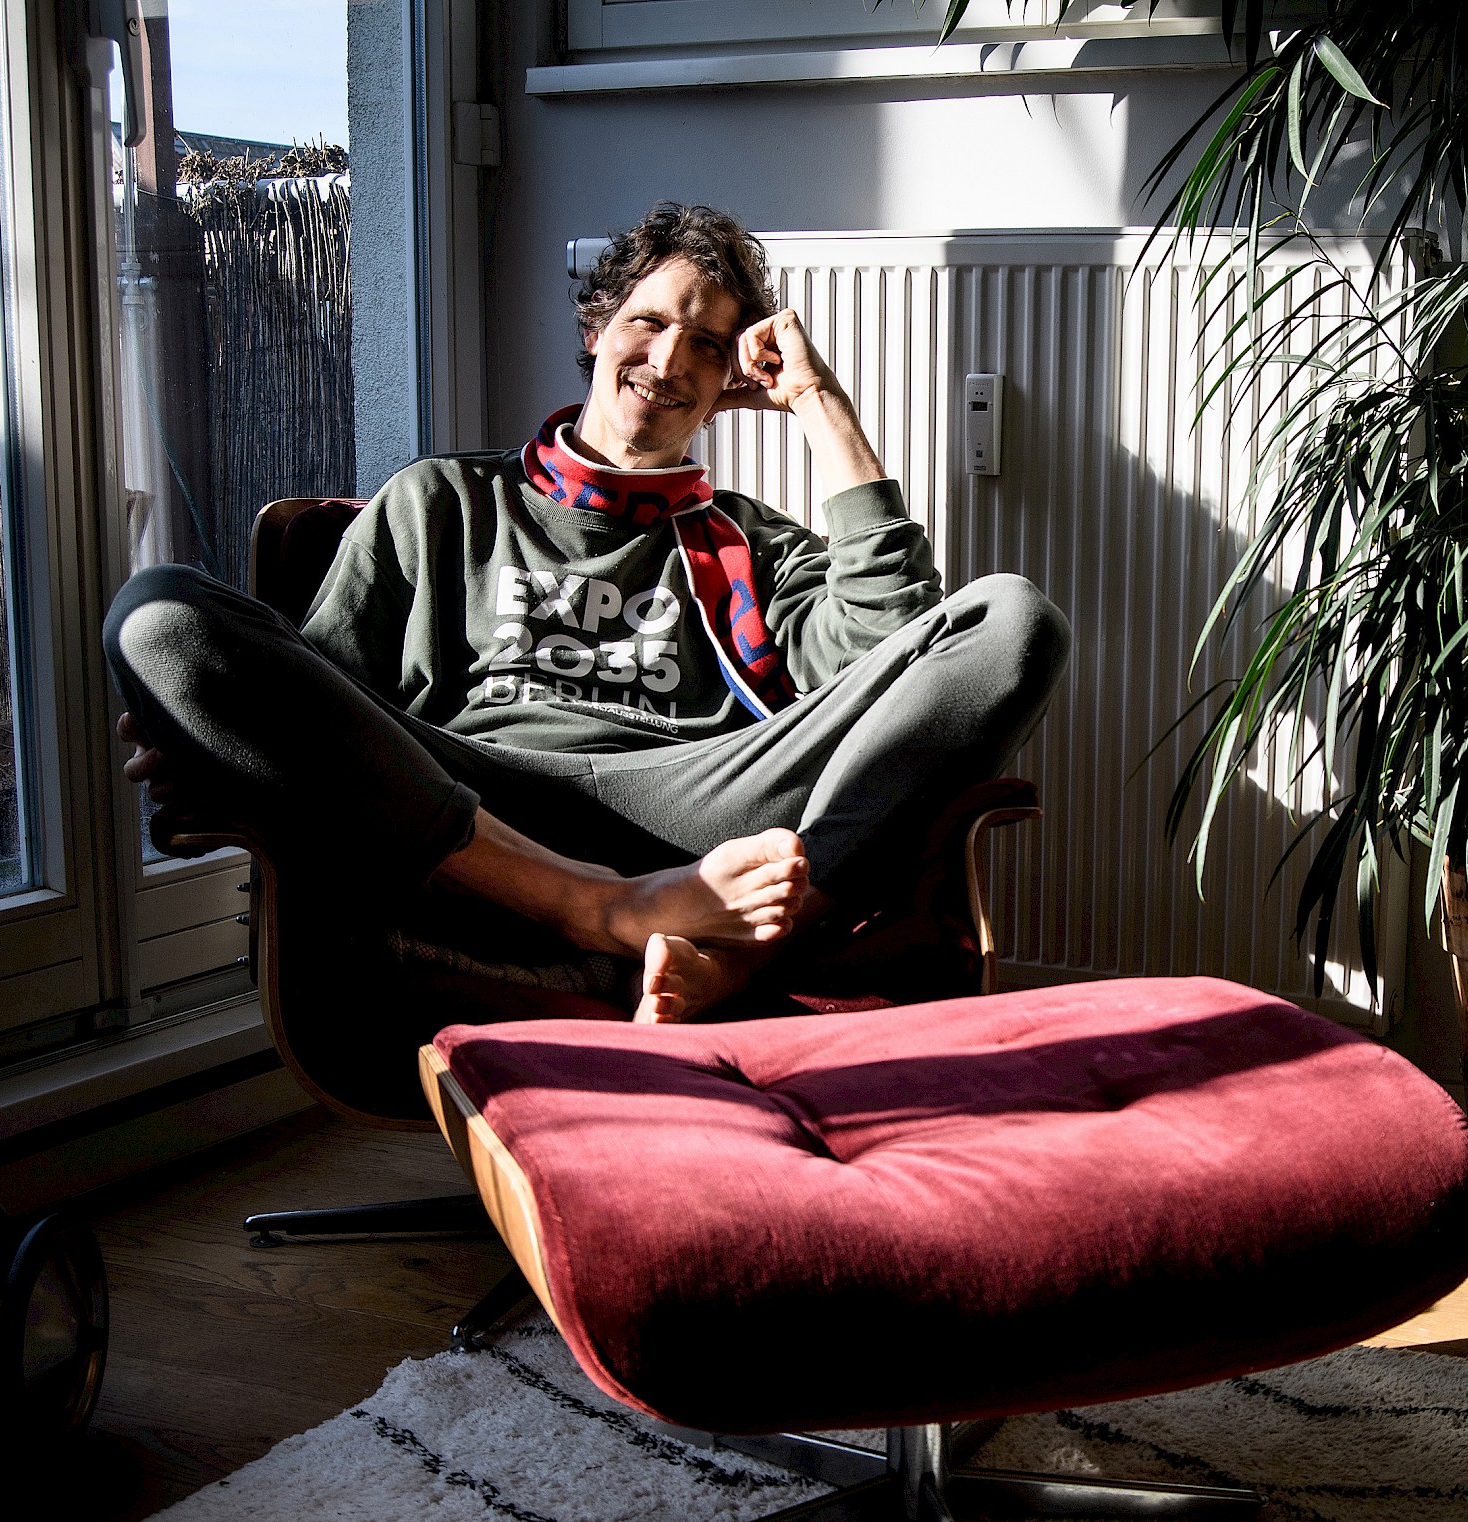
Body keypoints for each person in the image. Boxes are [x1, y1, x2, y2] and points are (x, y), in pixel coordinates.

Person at [105, 201, 1068, 1024]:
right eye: (647, 322)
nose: (669, 360)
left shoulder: (753, 544)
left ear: (731, 384)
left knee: (1014, 619)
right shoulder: (439, 503)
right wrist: (217, 739)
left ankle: (744, 956)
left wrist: (817, 400)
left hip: (700, 813)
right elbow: (331, 713)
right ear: (598, 328)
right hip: (476, 803)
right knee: (158, 616)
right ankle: (597, 908)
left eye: (706, 346)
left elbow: (893, 651)